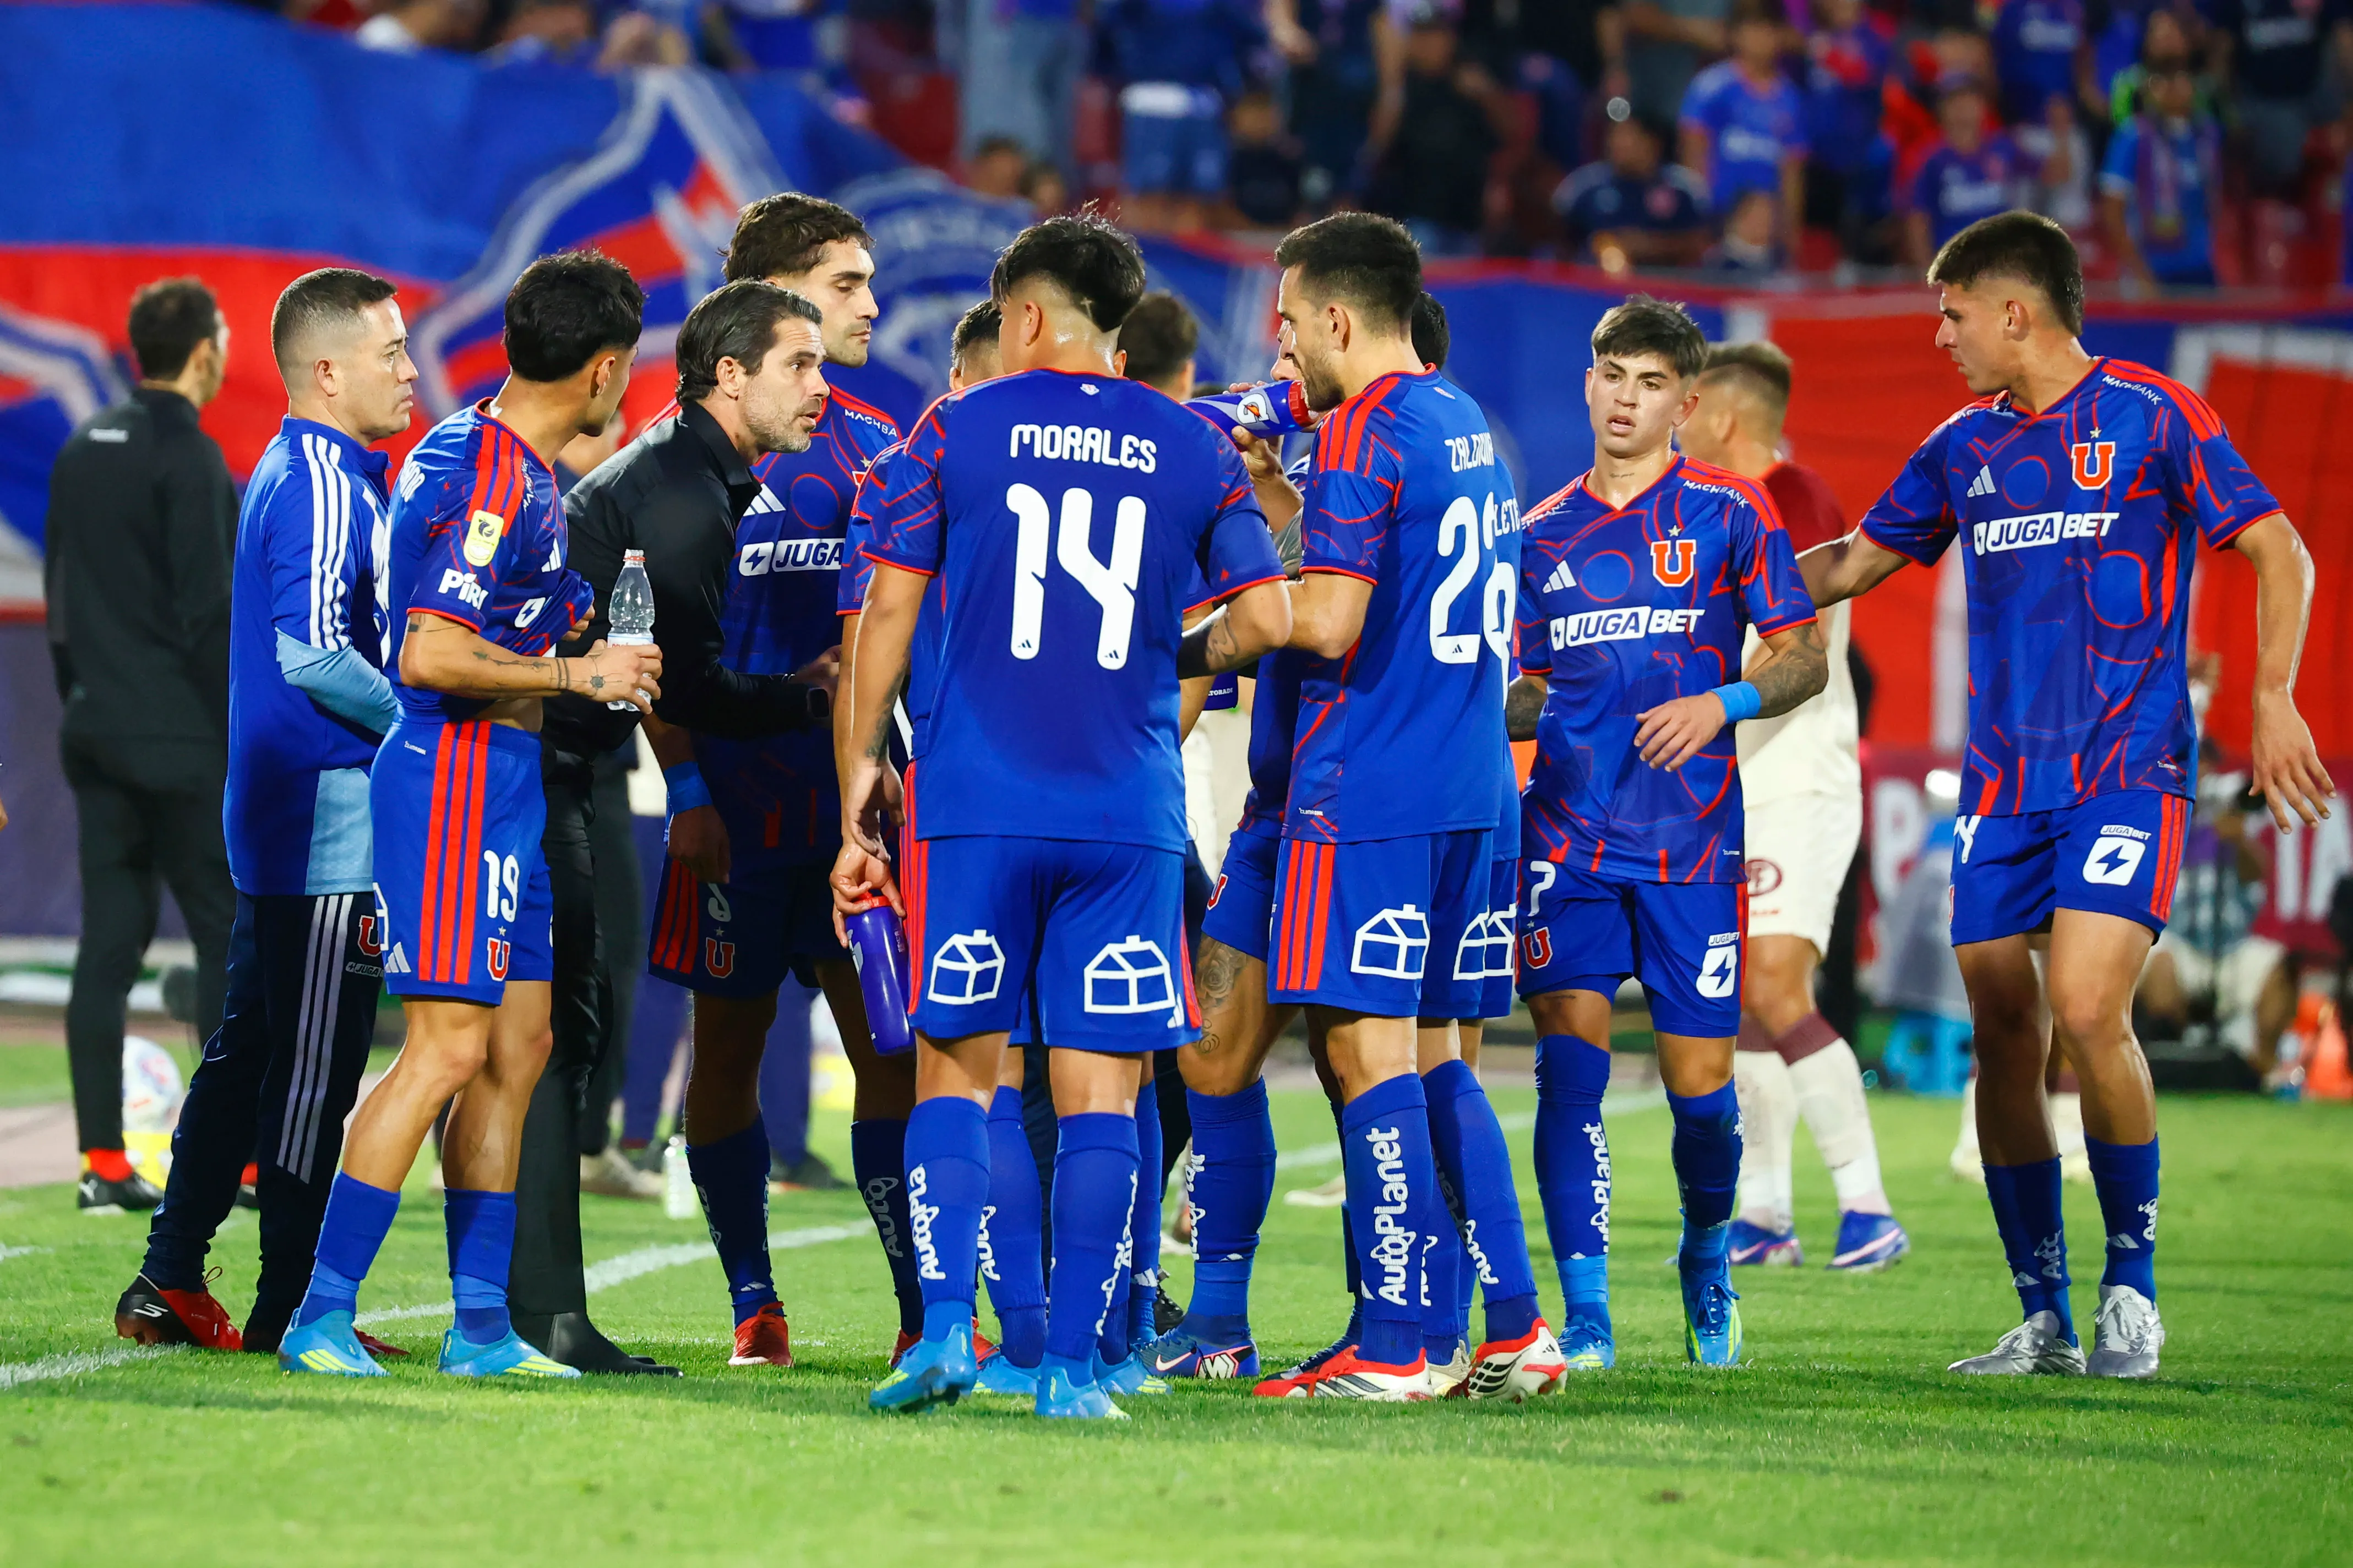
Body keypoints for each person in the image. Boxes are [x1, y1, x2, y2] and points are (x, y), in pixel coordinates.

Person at [1798, 210, 2334, 1378]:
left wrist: (2275, 695)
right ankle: (2039, 1311)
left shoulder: (2149, 412)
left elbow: (2279, 544)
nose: (1939, 335)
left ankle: (2130, 1288)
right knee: (2002, 1027)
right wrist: (1721, 584)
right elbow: (1849, 562)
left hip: (2125, 766)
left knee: (2090, 1009)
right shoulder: (1960, 446)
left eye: (1950, 312)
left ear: (2012, 310)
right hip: (2002, 780)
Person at [833, 212, 1290, 1419]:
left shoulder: (955, 425)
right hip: (1124, 807)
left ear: (1023, 319)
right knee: (1104, 1091)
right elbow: (1272, 618)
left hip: (977, 805)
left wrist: (855, 790)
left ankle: (948, 1333)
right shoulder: (1191, 446)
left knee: (959, 1075)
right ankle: (1076, 1370)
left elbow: (882, 619)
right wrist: (1164, 648)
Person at [277, 250, 661, 1380]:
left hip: (507, 783)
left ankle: (481, 1327)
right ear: (599, 369)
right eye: (623, 368)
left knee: (519, 1045)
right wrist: (576, 675)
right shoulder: (493, 474)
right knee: (445, 1049)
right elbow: (430, 652)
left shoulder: (512, 463)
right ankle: (320, 1312)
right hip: (453, 775)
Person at [1240, 211, 1556, 1403]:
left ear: (1333, 315)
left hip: (1369, 785)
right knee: (1434, 1059)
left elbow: (1326, 622)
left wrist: (1210, 625)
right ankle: (1513, 1324)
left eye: (1286, 322)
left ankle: (1396, 1341)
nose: (1283, 346)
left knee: (1358, 1052)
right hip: (1470, 787)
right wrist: (1290, 508)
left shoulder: (1367, 430)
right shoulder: (1457, 416)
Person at [1508, 297, 1828, 1372]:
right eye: (1611, 375)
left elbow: (1801, 657)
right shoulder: (1538, 534)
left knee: (1702, 1093)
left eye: (1649, 383)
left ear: (1686, 403)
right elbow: (1526, 690)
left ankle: (1704, 1253)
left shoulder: (1733, 515)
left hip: (1692, 846)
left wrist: (1723, 703)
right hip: (1565, 841)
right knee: (1569, 1076)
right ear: (1587, 382)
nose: (1625, 398)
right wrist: (1468, 697)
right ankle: (1588, 1311)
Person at [115, 269, 416, 1355]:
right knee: (312, 1068)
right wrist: (415, 724)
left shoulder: (298, 469)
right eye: (390, 352)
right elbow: (314, 651)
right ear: (326, 369)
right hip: (327, 818)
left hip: (286, 812)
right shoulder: (326, 479)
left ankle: (168, 1276)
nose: (410, 369)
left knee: (250, 1050)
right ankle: (298, 1307)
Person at [547, 277, 842, 1374]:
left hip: (566, 769)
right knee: (507, 1049)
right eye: (800, 360)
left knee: (533, 1045)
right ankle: (506, 1309)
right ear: (732, 371)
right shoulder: (679, 496)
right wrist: (807, 698)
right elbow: (686, 682)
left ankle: (521, 1306)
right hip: (549, 776)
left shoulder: (706, 472)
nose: (821, 378)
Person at [635, 195, 906, 1370]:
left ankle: (923, 1303)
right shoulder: (680, 458)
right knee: (728, 1054)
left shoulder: (882, 444)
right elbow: (648, 647)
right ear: (782, 293)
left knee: (892, 1050)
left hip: (858, 808)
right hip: (734, 816)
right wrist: (688, 791)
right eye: (846, 284)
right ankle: (755, 1302)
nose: (870, 305)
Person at [1677, 340, 1908, 1273]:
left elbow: (1798, 619)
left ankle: (1866, 1204)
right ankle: (1765, 1215)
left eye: (1686, 402)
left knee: (1775, 983)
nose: (1674, 418)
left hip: (1797, 777)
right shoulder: (1703, 508)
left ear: (1723, 415)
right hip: (1735, 784)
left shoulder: (1792, 491)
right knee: (1740, 1003)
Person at [45, 276, 238, 1214]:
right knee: (227, 939)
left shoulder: (83, 446)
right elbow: (209, 616)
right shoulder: (191, 457)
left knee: (106, 950)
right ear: (204, 352)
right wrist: (238, 730)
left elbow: (58, 597)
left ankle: (103, 1162)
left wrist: (77, 701)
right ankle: (234, 1162)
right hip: (183, 738)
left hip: (95, 731)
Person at [1679, 0, 1809, 257]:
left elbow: (1792, 171)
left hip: (1767, 230)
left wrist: (1791, 231)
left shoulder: (1790, 98)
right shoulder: (1711, 88)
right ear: (1736, 35)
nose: (1761, 39)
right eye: (1753, 29)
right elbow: (1693, 157)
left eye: (1769, 30)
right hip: (1719, 222)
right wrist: (1698, 220)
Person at [2100, 47, 2220, 289]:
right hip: (2150, 269)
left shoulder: (2207, 134)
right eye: (2161, 80)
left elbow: (2214, 199)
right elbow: (2112, 213)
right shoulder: (2133, 137)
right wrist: (2142, 275)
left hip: (2200, 267)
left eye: (2179, 77)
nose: (2171, 87)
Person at [1555, 113, 1714, 272]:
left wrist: (1649, 246)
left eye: (1629, 135)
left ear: (1654, 142)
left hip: (1669, 284)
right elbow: (1559, 239)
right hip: (1593, 284)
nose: (1619, 143)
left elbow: (1702, 244)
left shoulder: (1683, 188)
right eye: (1615, 135)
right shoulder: (1585, 185)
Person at [1905, 76, 2032, 266]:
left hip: (2001, 263)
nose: (1963, 107)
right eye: (1955, 101)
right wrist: (1926, 271)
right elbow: (1917, 219)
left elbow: (2057, 174)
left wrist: (2061, 132)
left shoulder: (2004, 147)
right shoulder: (1928, 158)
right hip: (1954, 265)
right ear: (1942, 109)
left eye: (1970, 99)